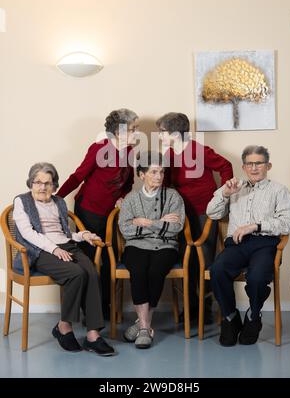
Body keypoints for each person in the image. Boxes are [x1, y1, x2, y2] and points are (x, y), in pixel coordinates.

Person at [13, 162, 115, 355]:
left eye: (48, 183)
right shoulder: (22, 201)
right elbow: (28, 233)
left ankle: (93, 335)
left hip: (66, 246)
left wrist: (83, 235)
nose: (43, 187)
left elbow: (65, 233)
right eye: (38, 182)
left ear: (55, 185)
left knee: (91, 272)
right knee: (76, 273)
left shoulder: (58, 202)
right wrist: (53, 249)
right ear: (30, 183)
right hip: (39, 251)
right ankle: (64, 326)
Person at [207, 145, 290, 346]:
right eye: (249, 163)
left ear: (268, 165)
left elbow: (288, 222)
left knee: (257, 277)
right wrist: (225, 194)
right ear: (244, 166)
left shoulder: (278, 190)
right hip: (236, 245)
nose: (254, 168)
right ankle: (230, 317)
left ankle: (253, 316)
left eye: (259, 163)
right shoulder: (233, 186)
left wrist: (255, 226)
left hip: (265, 245)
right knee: (218, 270)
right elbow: (212, 213)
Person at [57, 108, 138, 319]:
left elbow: (128, 183)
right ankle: (91, 312)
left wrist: (123, 196)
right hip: (89, 211)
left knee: (110, 260)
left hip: (111, 214)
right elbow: (78, 176)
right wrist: (57, 198)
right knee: (92, 262)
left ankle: (104, 308)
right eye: (133, 129)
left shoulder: (129, 152)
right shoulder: (98, 149)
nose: (136, 133)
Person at [156, 112, 233, 323]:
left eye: (162, 132)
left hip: (204, 212)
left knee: (204, 260)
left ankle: (205, 308)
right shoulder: (169, 155)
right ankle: (190, 307)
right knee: (186, 259)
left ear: (175, 132)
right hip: (181, 213)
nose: (159, 136)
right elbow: (165, 183)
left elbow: (226, 167)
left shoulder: (199, 150)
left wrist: (222, 195)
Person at [118, 151, 185, 349]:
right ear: (141, 175)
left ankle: (142, 325)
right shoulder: (131, 199)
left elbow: (176, 227)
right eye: (154, 172)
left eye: (161, 172)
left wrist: (146, 222)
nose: (159, 176)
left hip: (166, 246)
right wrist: (160, 223)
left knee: (156, 271)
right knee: (138, 271)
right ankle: (146, 327)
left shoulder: (173, 196)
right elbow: (126, 229)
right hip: (136, 246)